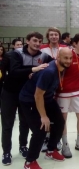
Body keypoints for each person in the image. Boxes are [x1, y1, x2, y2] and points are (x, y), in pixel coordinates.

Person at [1, 33, 52, 166]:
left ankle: (23, 146)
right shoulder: (14, 54)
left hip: (26, 95)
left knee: (24, 123)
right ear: (27, 41)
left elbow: (55, 65)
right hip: (9, 93)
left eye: (40, 41)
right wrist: (34, 69)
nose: (37, 43)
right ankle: (6, 151)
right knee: (8, 124)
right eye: (34, 40)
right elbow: (14, 72)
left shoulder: (44, 56)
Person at [20, 48, 72, 169]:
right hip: (30, 100)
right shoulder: (49, 71)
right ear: (58, 56)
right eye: (65, 58)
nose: (68, 61)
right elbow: (37, 95)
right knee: (41, 130)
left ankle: (51, 150)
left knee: (59, 123)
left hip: (47, 98)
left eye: (70, 58)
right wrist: (43, 116)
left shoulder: (62, 67)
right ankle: (29, 162)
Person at [56, 33, 79, 158]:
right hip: (64, 91)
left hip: (77, 91)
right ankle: (65, 145)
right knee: (63, 119)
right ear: (74, 44)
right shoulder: (67, 54)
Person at [40, 27, 66, 152]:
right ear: (48, 37)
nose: (54, 37)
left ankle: (57, 139)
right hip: (46, 85)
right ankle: (47, 138)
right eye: (51, 35)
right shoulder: (42, 49)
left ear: (59, 36)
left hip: (60, 85)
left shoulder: (64, 49)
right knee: (47, 114)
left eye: (56, 34)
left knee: (58, 116)